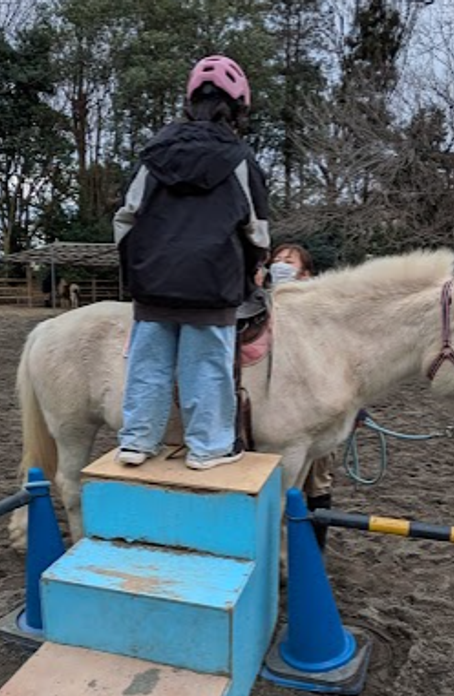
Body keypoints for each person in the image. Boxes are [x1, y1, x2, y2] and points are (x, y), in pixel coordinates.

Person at [113, 55, 270, 469]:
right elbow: (256, 228)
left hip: (153, 283)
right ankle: (209, 447)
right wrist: (252, 268)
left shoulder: (153, 154)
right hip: (213, 285)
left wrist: (138, 269)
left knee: (148, 365)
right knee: (207, 368)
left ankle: (136, 441)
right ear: (237, 108)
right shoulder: (239, 159)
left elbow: (125, 218)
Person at [268, 242, 334, 548]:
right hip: (281, 410)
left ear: (306, 274)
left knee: (318, 478)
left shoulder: (322, 313)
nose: (281, 265)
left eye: (289, 261)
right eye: (277, 260)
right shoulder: (263, 305)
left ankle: (315, 547)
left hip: (322, 406)